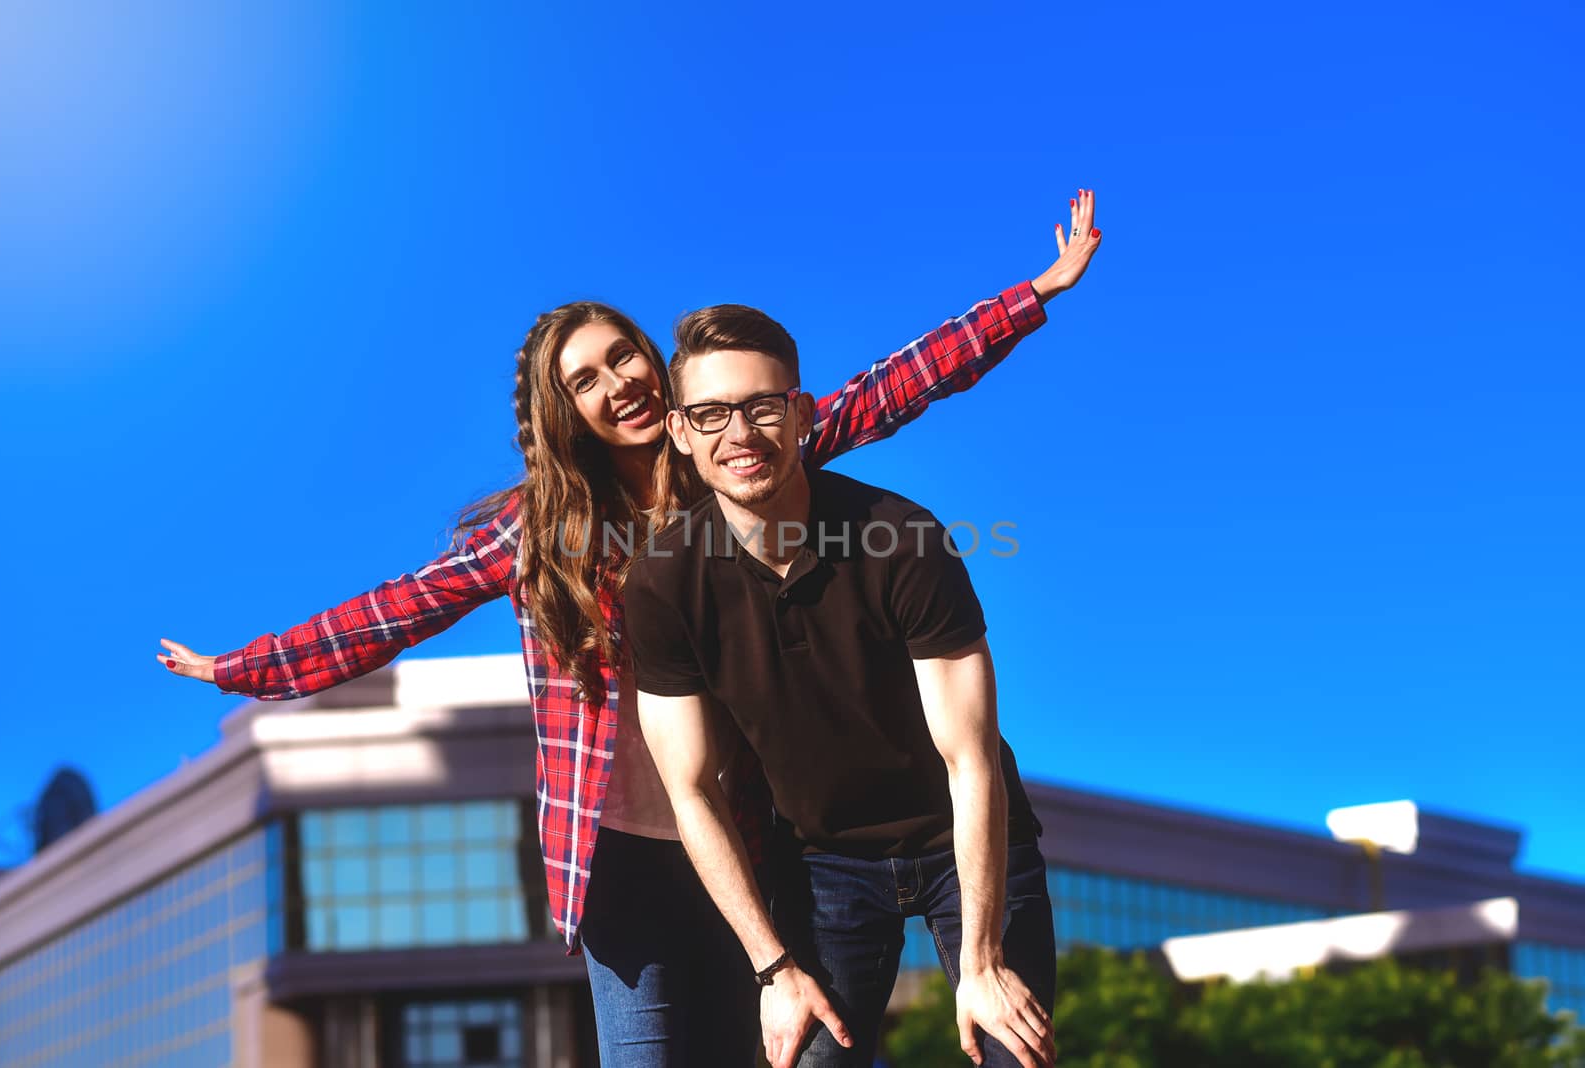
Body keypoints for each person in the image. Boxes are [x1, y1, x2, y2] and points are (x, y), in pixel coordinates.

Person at [159, 191, 1100, 1066]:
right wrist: (249, 667)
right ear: (563, 414)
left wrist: (1030, 297)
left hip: (745, 844)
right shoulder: (540, 534)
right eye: (586, 381)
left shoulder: (733, 452)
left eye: (624, 356)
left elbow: (889, 388)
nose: (619, 382)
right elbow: (400, 607)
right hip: (621, 857)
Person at [623, 277, 1082, 1066]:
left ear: (801, 414)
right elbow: (690, 789)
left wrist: (980, 962)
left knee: (1015, 1050)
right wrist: (773, 968)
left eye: (763, 406)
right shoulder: (664, 581)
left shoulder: (901, 538)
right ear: (681, 432)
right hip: (822, 865)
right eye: (711, 414)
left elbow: (970, 759)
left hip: (962, 839)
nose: (742, 433)